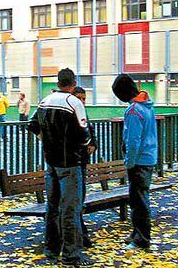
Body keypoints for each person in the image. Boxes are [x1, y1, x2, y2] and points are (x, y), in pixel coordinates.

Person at [28, 68, 93, 267]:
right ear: (73, 83)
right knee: (71, 209)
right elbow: (84, 135)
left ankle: (51, 251)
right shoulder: (73, 103)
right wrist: (79, 147)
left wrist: (47, 141)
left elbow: (32, 125)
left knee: (52, 207)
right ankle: (71, 256)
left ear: (58, 82)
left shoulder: (44, 101)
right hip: (70, 163)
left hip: (51, 162)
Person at [111, 74, 158, 250]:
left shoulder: (133, 111)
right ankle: (136, 233)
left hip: (139, 161)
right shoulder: (147, 105)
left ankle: (141, 239)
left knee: (139, 201)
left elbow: (133, 141)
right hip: (149, 157)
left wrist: (128, 162)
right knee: (139, 198)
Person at [72, 86, 97, 248]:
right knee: (76, 197)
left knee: (80, 196)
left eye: (84, 98)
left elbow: (89, 130)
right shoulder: (70, 112)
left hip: (82, 160)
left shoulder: (82, 112)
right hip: (74, 160)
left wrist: (93, 143)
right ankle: (80, 233)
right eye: (79, 98)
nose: (82, 101)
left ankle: (81, 231)